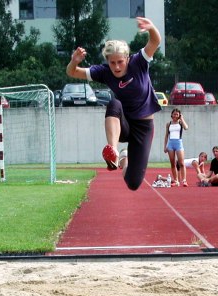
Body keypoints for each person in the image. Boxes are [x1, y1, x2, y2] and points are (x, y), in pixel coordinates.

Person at [66, 17, 161, 191]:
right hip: (122, 124)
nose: (116, 67)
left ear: (127, 58)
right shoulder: (103, 72)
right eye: (112, 62)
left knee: (133, 183)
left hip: (143, 126)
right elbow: (72, 72)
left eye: (120, 62)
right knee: (114, 103)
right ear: (107, 61)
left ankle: (124, 159)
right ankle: (114, 151)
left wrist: (151, 28)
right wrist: (74, 61)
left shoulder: (139, 62)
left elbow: (155, 41)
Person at [163, 108, 188, 186]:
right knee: (172, 163)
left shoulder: (180, 123)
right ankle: (176, 180)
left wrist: (182, 118)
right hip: (170, 143)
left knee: (181, 163)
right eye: (174, 114)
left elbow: (186, 128)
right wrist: (165, 146)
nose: (175, 115)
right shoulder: (169, 124)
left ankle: (184, 180)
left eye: (177, 114)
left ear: (179, 115)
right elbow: (166, 136)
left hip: (178, 143)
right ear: (171, 115)